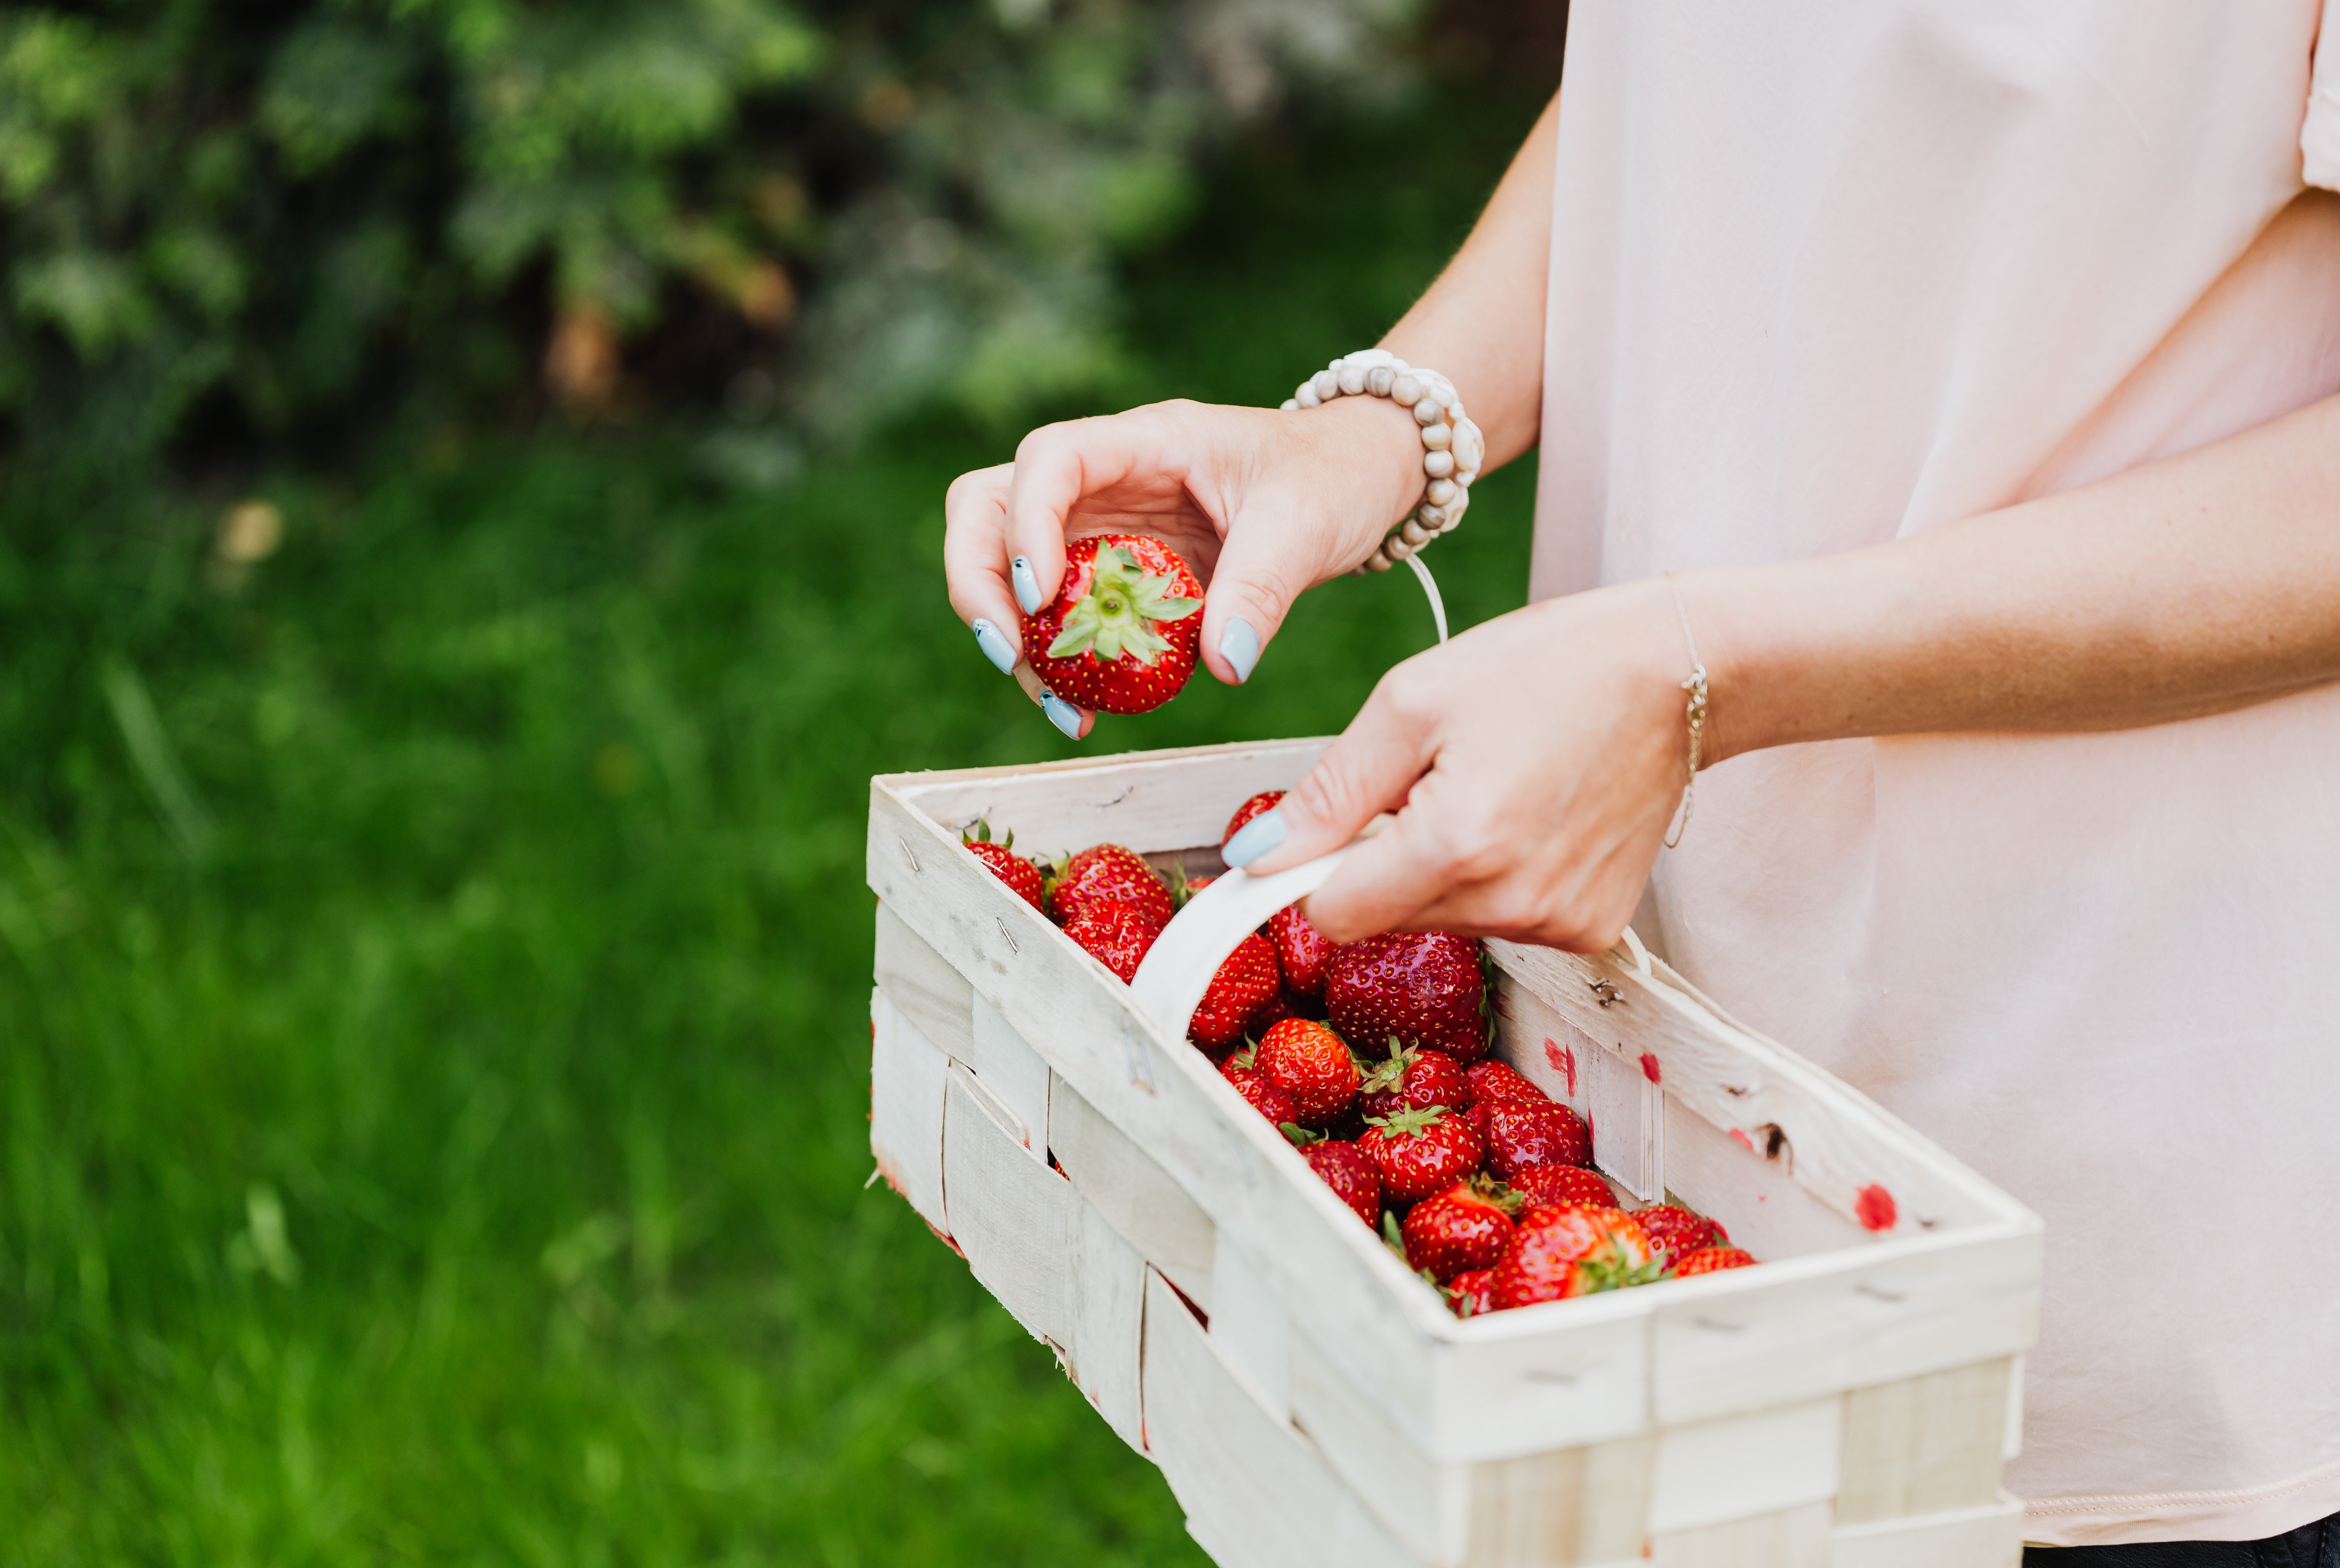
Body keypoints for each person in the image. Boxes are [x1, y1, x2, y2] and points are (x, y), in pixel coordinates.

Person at [942, 5, 2340, 1560]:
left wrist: (1703, 670)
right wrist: (1370, 432)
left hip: (2098, 1103)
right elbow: (1717, 107)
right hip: (1623, 1053)